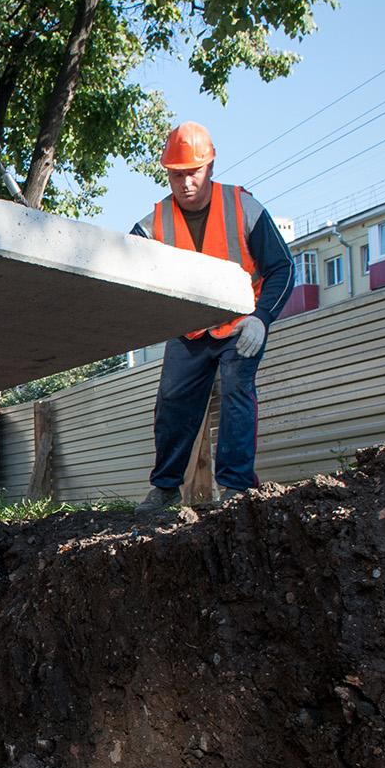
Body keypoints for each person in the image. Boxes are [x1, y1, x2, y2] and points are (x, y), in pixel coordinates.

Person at [131, 122, 295, 517]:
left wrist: (262, 318)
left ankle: (236, 488)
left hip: (241, 324)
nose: (185, 182)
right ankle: (166, 488)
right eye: (176, 174)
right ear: (167, 173)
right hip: (189, 328)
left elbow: (283, 268)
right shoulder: (154, 223)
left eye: (193, 172)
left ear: (209, 168)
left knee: (238, 391)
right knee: (172, 402)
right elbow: (121, 263)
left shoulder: (243, 207)